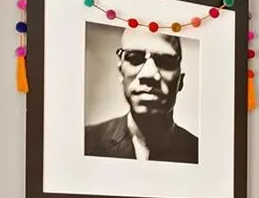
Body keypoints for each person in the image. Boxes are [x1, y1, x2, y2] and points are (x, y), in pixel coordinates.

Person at [83, 26, 199, 164]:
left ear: (180, 81)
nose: (148, 74)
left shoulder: (201, 153)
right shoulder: (85, 140)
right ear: (121, 72)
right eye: (135, 58)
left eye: (166, 61)